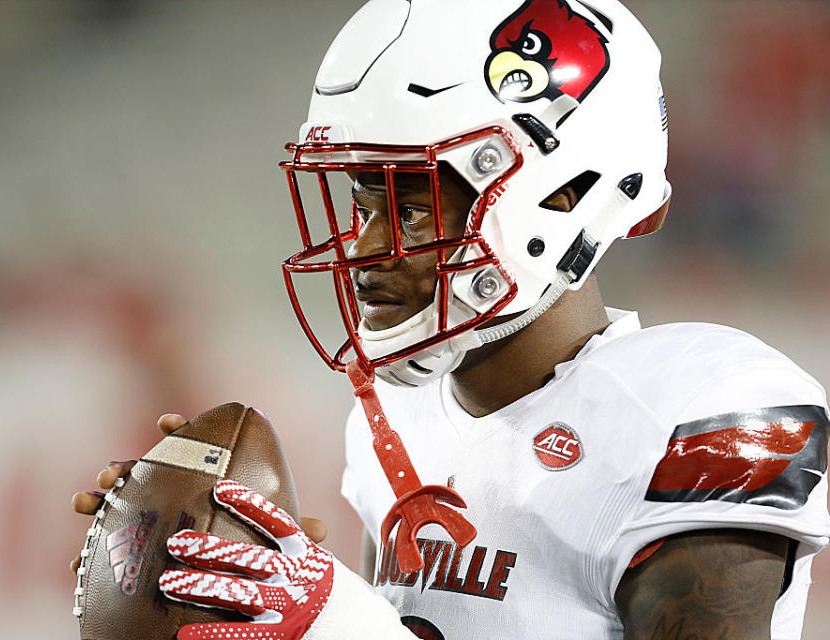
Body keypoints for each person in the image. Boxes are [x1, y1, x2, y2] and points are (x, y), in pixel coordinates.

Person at [74, 1, 830, 638]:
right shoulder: (401, 415)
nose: (366, 247)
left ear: (563, 194)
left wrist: (339, 623)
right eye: (362, 201)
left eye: (410, 205)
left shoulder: (698, 410)